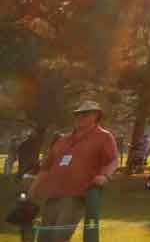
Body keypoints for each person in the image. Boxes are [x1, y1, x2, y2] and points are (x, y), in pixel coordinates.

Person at [26, 98, 118, 242]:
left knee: (59, 237)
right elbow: (46, 167)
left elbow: (113, 160)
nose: (80, 117)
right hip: (53, 195)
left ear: (96, 116)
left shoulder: (104, 136)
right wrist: (32, 189)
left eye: (85, 114)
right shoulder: (63, 139)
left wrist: (104, 176)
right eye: (78, 114)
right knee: (43, 238)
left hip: (76, 195)